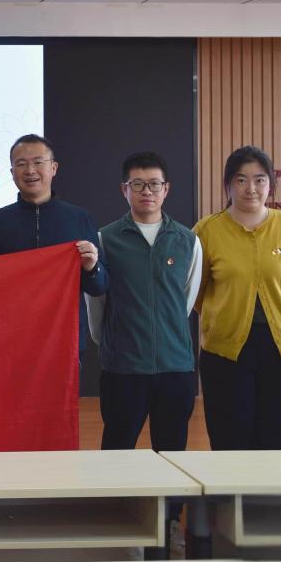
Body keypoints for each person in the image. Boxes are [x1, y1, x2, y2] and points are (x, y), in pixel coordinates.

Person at [194, 145, 281, 450]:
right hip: (226, 349)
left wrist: (279, 301)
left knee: (279, 437)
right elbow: (195, 289)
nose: (251, 188)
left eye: (260, 180)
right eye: (241, 180)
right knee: (229, 437)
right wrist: (220, 313)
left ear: (270, 184)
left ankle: (273, 485)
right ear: (228, 185)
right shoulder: (207, 230)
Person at [86, 152, 202, 451]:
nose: (147, 191)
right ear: (124, 189)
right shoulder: (105, 239)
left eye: (154, 184)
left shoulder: (188, 240)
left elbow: (185, 300)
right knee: (117, 451)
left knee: (172, 452)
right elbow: (96, 301)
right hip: (123, 367)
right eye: (137, 184)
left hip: (175, 366)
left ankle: (171, 491)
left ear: (166, 189)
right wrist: (111, 341)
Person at [0, 134, 107, 360]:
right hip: (10, 344)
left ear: (53, 168)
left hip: (64, 341)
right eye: (21, 164)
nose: (30, 171)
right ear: (11, 172)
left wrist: (91, 267)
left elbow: (98, 287)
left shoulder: (79, 219)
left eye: (38, 162)